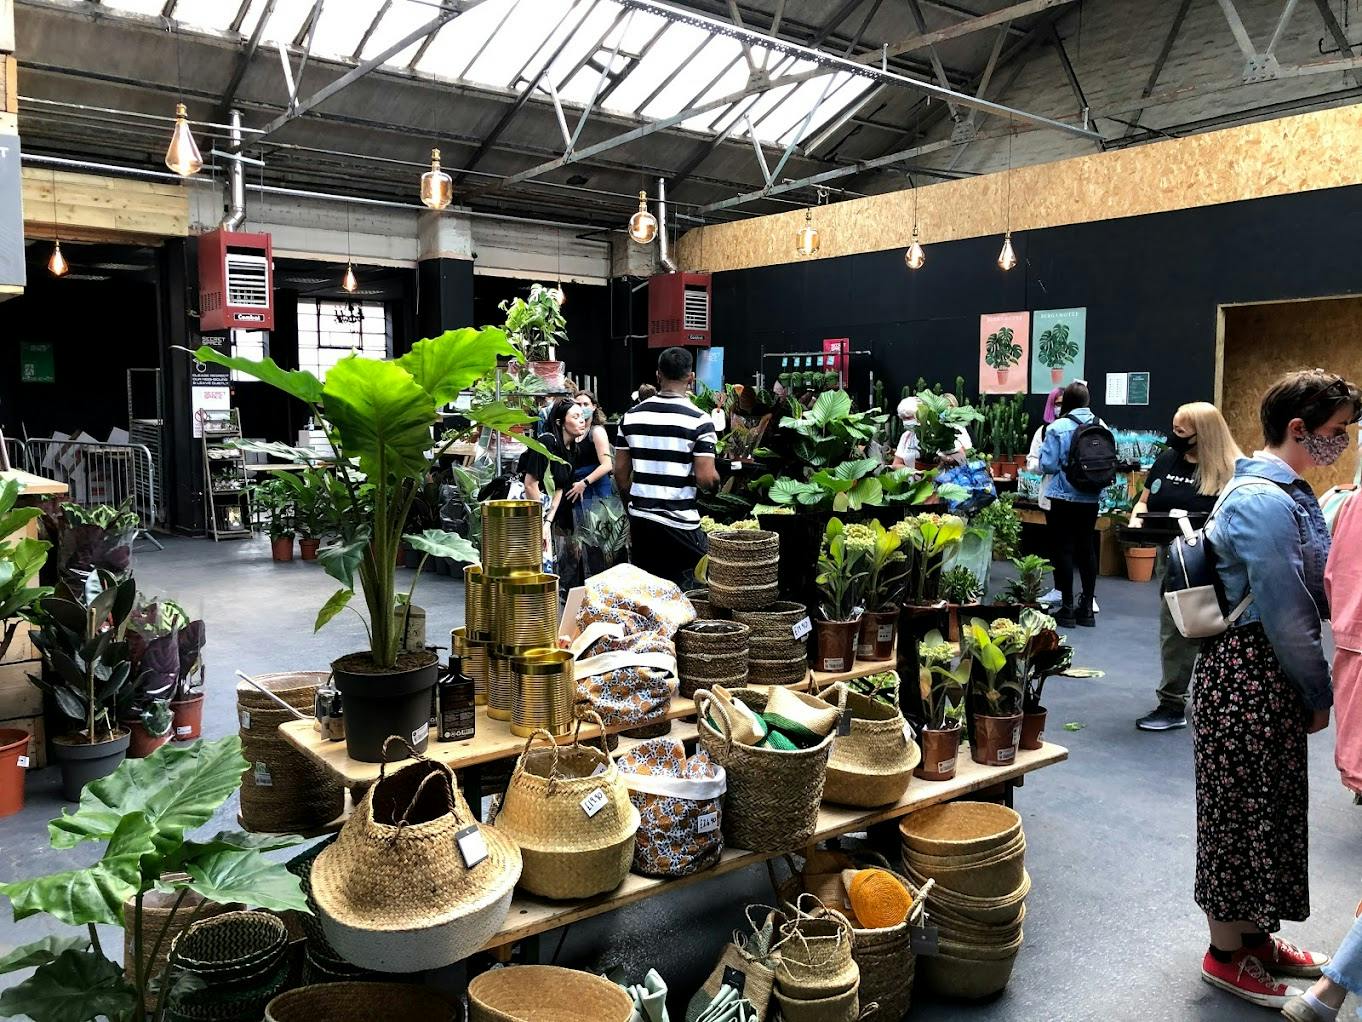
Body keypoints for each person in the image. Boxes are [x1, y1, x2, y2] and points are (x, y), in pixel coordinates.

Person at [1192, 369, 1360, 1010]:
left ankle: (1257, 937)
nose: (1340, 442)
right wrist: (1320, 692)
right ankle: (1225, 953)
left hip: (1265, 678)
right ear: (1299, 430)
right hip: (1249, 676)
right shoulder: (1263, 501)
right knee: (1239, 816)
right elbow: (1289, 613)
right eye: (1335, 433)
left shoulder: (1281, 491)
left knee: (1269, 811)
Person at [1134, 402, 1242, 732]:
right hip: (1175, 560)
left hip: (1215, 563)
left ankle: (1222, 699)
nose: (1175, 436)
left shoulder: (1231, 469)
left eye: (1182, 431)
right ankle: (1172, 702)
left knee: (1220, 630)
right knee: (1176, 629)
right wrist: (1136, 521)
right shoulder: (1167, 459)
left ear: (1203, 434)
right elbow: (1144, 501)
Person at [614, 347, 719, 586]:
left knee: (650, 596)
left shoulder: (631, 417)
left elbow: (620, 474)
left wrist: (633, 505)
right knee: (691, 596)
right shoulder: (700, 421)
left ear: (658, 375)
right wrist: (716, 485)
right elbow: (706, 478)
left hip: (642, 523)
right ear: (691, 378)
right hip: (680, 523)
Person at [1038, 381, 1102, 627]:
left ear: (1065, 403)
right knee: (1087, 548)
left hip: (1063, 496)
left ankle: (1066, 608)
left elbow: (1049, 465)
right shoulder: (1100, 424)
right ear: (1087, 401)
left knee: (1063, 549)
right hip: (1091, 496)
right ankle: (1086, 607)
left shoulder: (1057, 427)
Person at [521, 398, 590, 589]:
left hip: (548, 512)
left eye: (582, 416)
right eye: (575, 416)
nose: (581, 420)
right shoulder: (546, 442)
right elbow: (530, 484)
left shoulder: (572, 450)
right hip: (528, 510)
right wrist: (540, 523)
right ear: (560, 422)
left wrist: (548, 522)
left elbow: (560, 487)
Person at [890, 396, 919, 470]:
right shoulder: (906, 436)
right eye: (903, 419)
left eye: (908, 418)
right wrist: (913, 472)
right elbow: (896, 464)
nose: (906, 422)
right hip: (911, 480)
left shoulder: (934, 436)